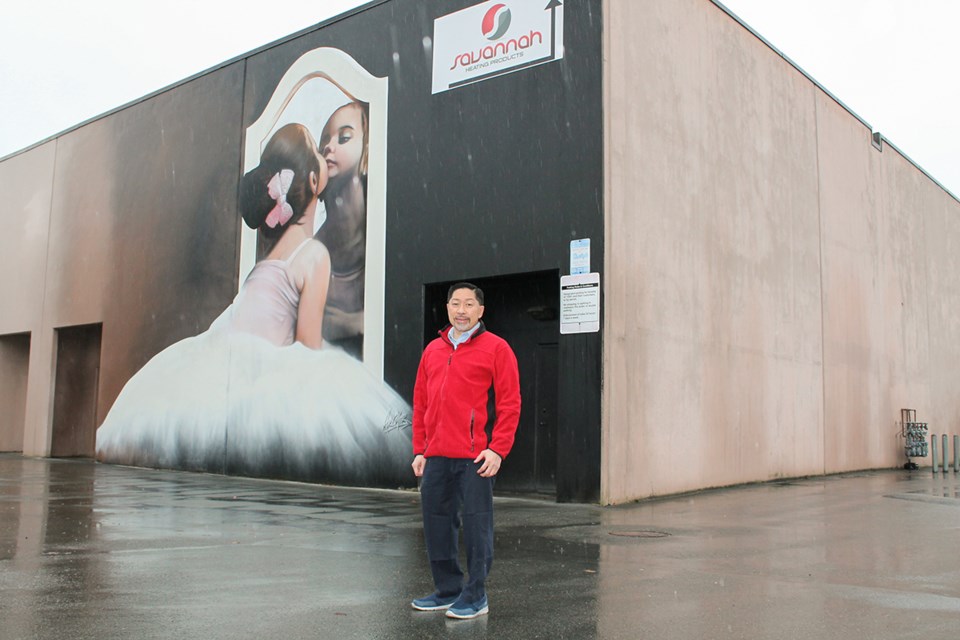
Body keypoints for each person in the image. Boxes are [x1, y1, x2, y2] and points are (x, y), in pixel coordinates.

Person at [95, 123, 411, 486]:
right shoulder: (313, 255)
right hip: (260, 361)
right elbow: (308, 346)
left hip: (224, 355)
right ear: (312, 182)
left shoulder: (267, 258)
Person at [410, 282, 521, 620]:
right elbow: (421, 403)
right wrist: (420, 449)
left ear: (480, 311)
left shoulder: (497, 349)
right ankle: (447, 589)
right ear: (447, 309)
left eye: (469, 304)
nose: (461, 310)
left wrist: (497, 450)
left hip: (475, 456)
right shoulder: (432, 350)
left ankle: (475, 595)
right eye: (455, 303)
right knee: (437, 524)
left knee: (476, 526)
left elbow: (510, 403)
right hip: (436, 455)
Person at [316, 101, 369, 359]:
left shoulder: (379, 230)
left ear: (368, 146)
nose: (328, 146)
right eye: (325, 140)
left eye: (344, 137)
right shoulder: (314, 248)